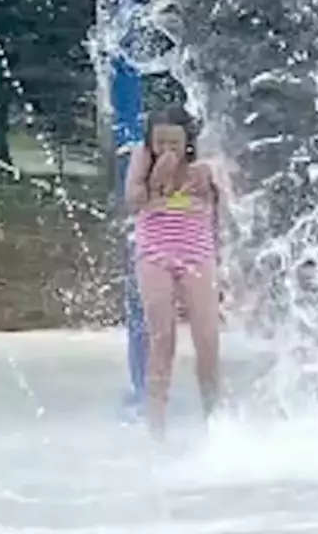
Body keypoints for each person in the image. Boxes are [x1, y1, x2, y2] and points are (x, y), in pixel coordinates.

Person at [124, 105, 223, 438]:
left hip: (197, 254)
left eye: (174, 144)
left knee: (207, 340)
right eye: (160, 143)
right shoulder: (143, 158)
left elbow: (230, 198)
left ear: (188, 142)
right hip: (154, 254)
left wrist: (212, 180)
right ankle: (156, 427)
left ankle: (214, 421)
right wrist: (156, 179)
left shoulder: (203, 162)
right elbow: (133, 201)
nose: (167, 150)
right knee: (162, 340)